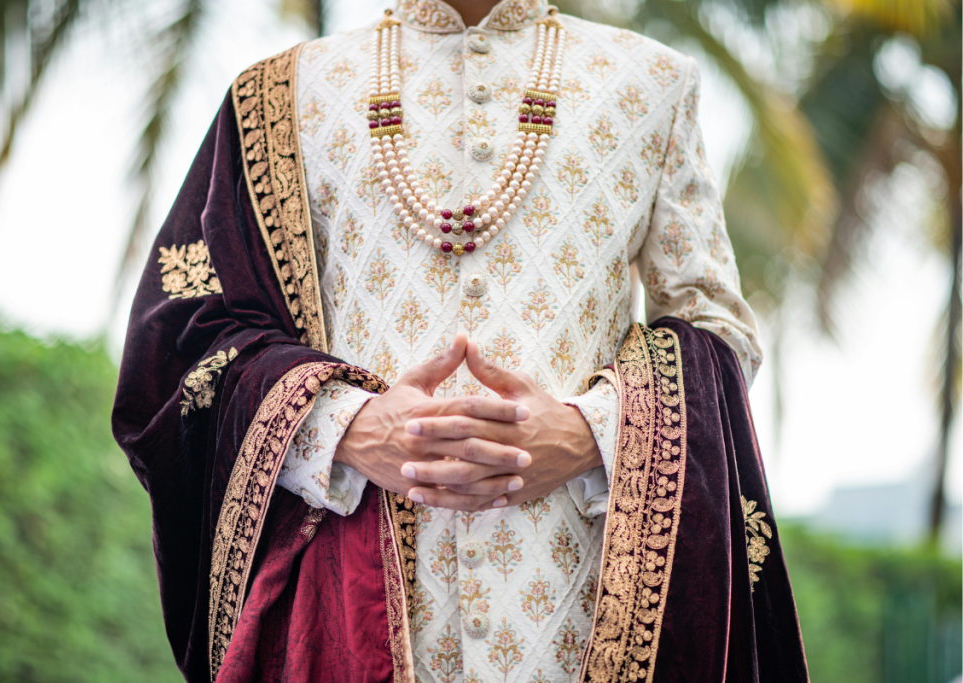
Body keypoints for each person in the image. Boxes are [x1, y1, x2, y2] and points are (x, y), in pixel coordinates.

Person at [113, 1, 809, 681]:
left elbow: (716, 328)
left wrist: (588, 433)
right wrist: (346, 426)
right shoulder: (282, 96)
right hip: (349, 615)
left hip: (578, 611)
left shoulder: (651, 83)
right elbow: (185, 337)